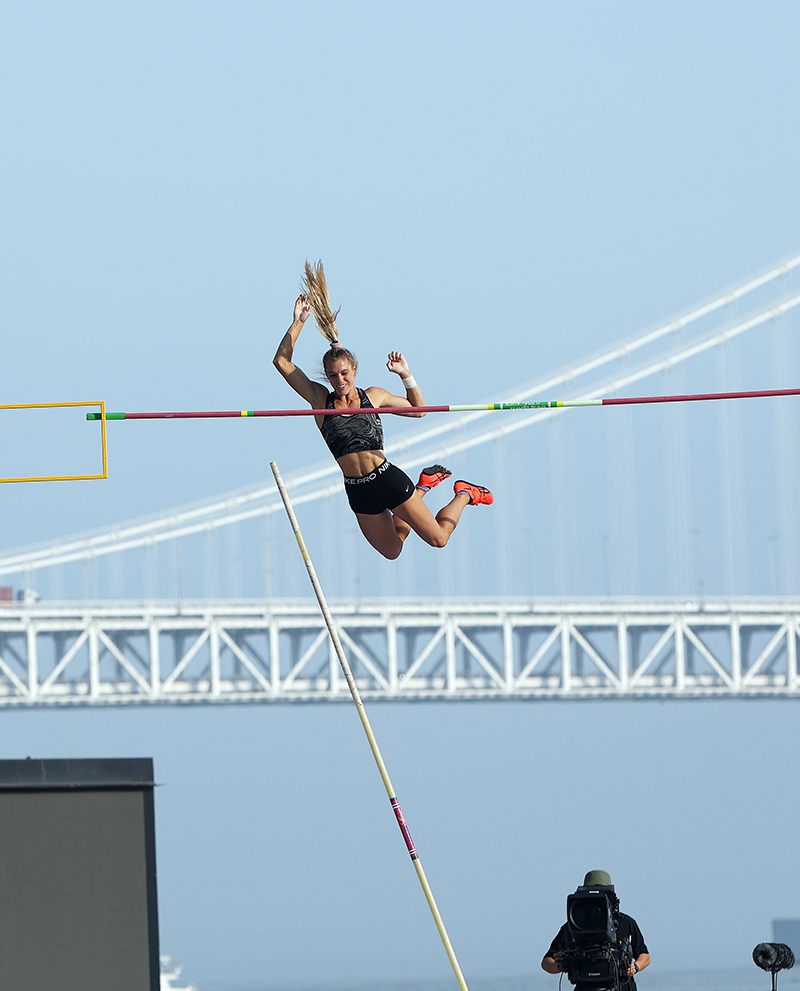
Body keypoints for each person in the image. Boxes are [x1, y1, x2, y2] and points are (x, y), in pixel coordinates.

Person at [273, 261, 493, 560]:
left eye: (345, 373)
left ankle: (465, 493)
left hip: (386, 478)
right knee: (393, 550)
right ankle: (424, 487)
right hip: (357, 490)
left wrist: (405, 373)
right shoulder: (319, 401)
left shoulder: (372, 396)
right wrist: (298, 322)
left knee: (439, 539)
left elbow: (419, 410)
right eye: (334, 375)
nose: (340, 380)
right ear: (327, 376)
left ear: (354, 369)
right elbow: (282, 363)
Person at [542, 870, 650, 991]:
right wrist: (560, 965)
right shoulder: (574, 926)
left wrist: (635, 966)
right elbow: (546, 962)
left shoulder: (625, 923)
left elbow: (645, 955)